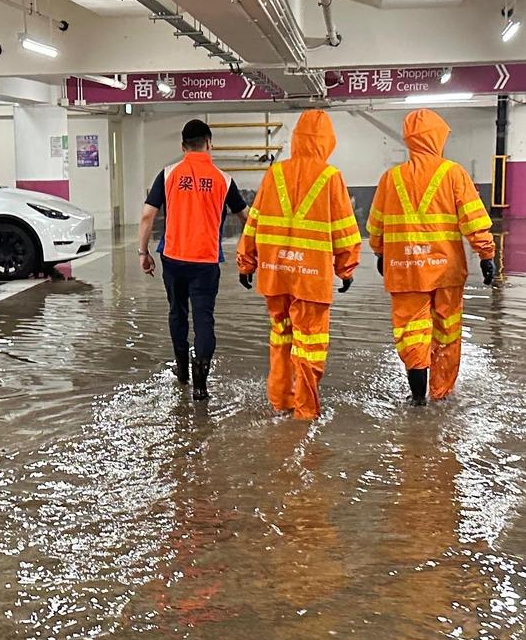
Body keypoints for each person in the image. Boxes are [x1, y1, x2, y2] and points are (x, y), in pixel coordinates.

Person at [235, 109, 361, 419]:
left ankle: (280, 400)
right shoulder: (331, 177)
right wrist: (346, 267)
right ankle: (305, 411)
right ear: (327, 142)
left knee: (281, 338)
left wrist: (246, 262)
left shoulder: (275, 173)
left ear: (295, 140)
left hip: (276, 275)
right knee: (310, 344)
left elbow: (254, 221)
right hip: (311, 278)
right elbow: (345, 227)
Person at [368, 109, 498, 406]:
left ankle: (417, 398)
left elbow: (376, 223)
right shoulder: (453, 173)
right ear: (437, 137)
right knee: (447, 331)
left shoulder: (391, 178)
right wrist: (486, 254)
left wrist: (380, 251)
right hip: (445, 271)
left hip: (405, 271)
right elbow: (474, 219)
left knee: (411, 332)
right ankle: (442, 396)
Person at [137, 119, 249, 400]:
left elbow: (147, 215)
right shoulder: (224, 179)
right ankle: (201, 383)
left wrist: (143, 252)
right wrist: (250, 253)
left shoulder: (168, 174)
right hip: (206, 261)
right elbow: (247, 218)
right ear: (209, 143)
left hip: (173, 258)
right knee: (204, 319)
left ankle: (183, 372)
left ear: (183, 146)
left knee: (177, 313)